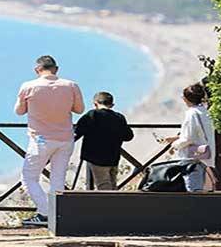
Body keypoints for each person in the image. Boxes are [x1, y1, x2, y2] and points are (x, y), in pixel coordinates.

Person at [15, 55, 84, 226]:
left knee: (29, 177)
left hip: (40, 140)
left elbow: (19, 111)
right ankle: (57, 215)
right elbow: (79, 109)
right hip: (65, 139)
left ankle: (45, 213)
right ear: (56, 69)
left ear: (37, 70)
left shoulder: (28, 86)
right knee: (58, 179)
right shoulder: (71, 85)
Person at [74, 91, 134, 190]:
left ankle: (108, 205)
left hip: (96, 157)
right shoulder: (119, 117)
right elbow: (128, 136)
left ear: (95, 104)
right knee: (113, 184)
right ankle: (114, 204)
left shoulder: (92, 115)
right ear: (112, 105)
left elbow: (78, 131)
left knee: (103, 185)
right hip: (113, 157)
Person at [164, 84, 216, 192]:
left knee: (193, 189)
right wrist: (176, 137)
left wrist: (174, 145)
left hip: (192, 159)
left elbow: (189, 138)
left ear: (187, 99)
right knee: (200, 188)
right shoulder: (204, 112)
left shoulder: (192, 113)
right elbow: (198, 133)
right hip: (205, 155)